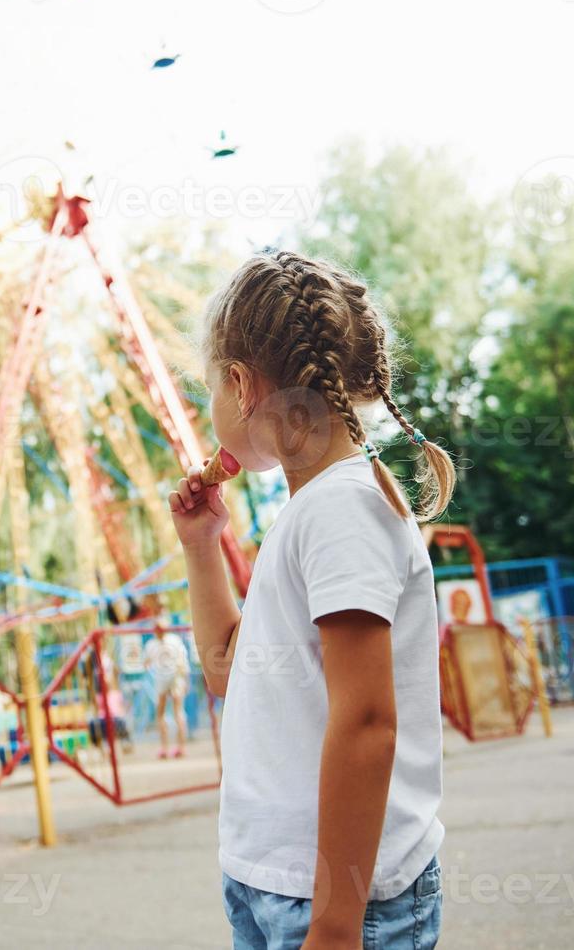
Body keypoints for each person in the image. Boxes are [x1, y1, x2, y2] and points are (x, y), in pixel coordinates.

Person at [168, 251, 455, 950]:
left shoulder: (341, 512)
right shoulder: (308, 514)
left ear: (239, 385)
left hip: (341, 905)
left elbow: (366, 722)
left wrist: (333, 924)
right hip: (273, 884)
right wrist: (202, 548)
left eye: (208, 389)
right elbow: (227, 672)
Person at [143, 626, 191, 758]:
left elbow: (146, 664)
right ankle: (175, 748)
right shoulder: (172, 640)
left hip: (168, 679)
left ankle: (170, 748)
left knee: (170, 713)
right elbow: (183, 661)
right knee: (174, 712)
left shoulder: (153, 644)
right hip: (171, 678)